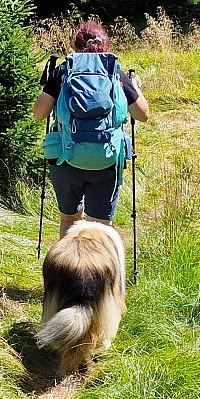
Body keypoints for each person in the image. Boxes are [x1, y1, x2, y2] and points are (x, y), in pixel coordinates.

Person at [33, 21, 150, 238]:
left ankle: (67, 270)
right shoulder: (114, 71)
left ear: (75, 46)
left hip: (65, 158)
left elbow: (39, 114)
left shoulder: (63, 71)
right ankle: (98, 270)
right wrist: (135, 87)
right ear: (105, 45)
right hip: (106, 160)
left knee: (69, 219)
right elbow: (143, 115)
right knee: (101, 226)